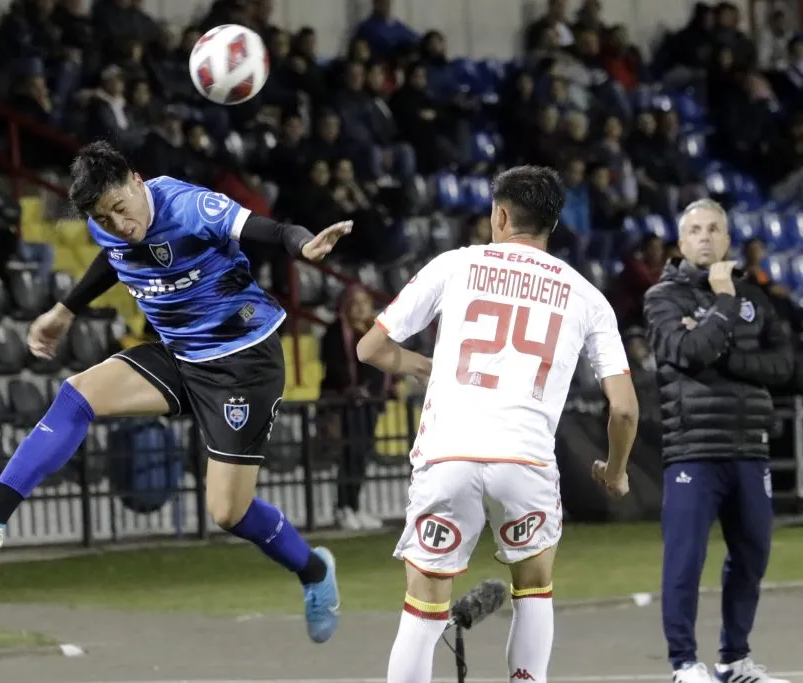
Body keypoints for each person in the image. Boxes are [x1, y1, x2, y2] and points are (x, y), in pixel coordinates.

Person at [0, 141, 352, 644]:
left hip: (242, 362)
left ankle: (314, 572)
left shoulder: (188, 206)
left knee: (228, 513)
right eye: (105, 216)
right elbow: (114, 256)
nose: (119, 223)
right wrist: (65, 310)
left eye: (121, 208)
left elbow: (267, 230)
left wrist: (304, 245)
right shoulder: (109, 221)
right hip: (179, 355)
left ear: (137, 181)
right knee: (78, 394)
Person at [356, 165, 639, 683]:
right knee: (533, 592)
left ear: (501, 215)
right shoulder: (586, 296)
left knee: (422, 610)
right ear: (552, 223)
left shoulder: (454, 265)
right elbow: (623, 408)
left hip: (448, 455)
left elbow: (371, 348)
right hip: (525, 460)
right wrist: (616, 471)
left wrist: (423, 365)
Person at [643, 198, 793, 683]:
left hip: (750, 447)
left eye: (714, 229)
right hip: (693, 449)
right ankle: (684, 663)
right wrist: (725, 302)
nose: (706, 237)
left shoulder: (760, 299)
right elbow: (688, 351)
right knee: (685, 559)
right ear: (682, 241)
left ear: (728, 239)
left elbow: (787, 366)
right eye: (695, 230)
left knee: (753, 556)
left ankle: (734, 660)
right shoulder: (663, 298)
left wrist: (723, 357)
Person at [320, 285, 390, 531]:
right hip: (345, 405)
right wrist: (353, 389)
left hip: (369, 406)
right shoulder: (335, 333)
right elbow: (335, 367)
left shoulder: (375, 332)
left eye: (365, 302)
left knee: (361, 456)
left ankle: (356, 506)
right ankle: (343, 507)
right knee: (348, 457)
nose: (361, 308)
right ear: (345, 307)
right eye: (355, 303)